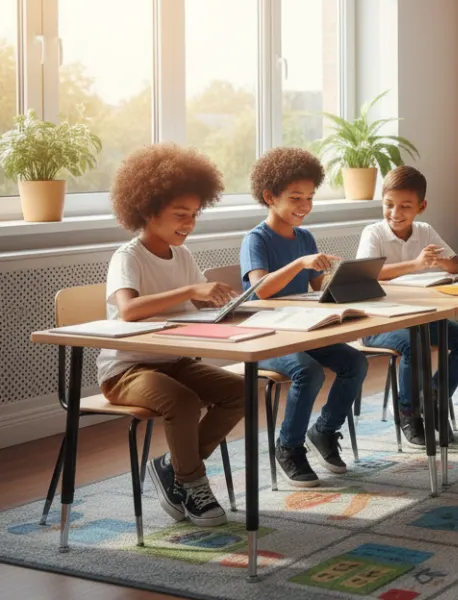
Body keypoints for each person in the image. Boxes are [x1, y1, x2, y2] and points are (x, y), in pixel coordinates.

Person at [101, 144, 244, 526]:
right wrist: (189, 292)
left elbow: (198, 306)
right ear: (148, 210)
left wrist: (226, 305)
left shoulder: (183, 255)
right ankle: (192, 482)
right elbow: (129, 310)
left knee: (240, 392)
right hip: (127, 370)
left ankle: (172, 466)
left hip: (174, 361)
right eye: (181, 215)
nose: (190, 223)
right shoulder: (127, 257)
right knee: (182, 403)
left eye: (195, 215)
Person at [240, 147, 367, 487]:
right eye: (296, 197)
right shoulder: (256, 240)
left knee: (355, 363)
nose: (304, 206)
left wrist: (337, 274)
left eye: (310, 198)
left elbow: (314, 288)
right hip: (269, 336)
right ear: (270, 196)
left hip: (305, 329)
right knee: (307, 372)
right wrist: (300, 263)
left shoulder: (305, 237)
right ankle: (288, 446)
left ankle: (324, 431)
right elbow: (262, 290)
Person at [357, 166, 458, 446]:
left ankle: (434, 394)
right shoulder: (373, 233)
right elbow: (369, 275)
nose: (395, 213)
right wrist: (415, 265)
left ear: (421, 207)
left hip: (420, 318)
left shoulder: (425, 231)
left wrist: (441, 262)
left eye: (405, 206)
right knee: (415, 343)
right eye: (389, 205)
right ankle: (408, 413)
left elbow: (456, 265)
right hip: (378, 322)